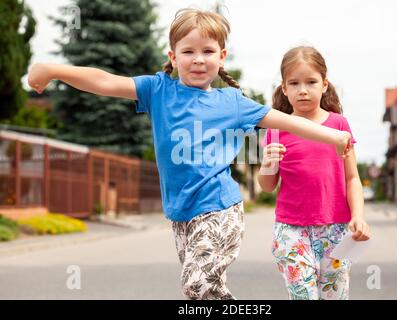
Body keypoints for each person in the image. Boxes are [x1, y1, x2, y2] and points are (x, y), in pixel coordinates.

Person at [28, 9, 351, 300]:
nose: (198, 59)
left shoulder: (232, 102)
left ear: (221, 57)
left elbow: (285, 121)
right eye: (189, 51)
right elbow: (105, 81)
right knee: (203, 295)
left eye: (208, 51)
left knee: (195, 283)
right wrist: (54, 69)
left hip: (220, 209)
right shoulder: (158, 91)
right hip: (181, 213)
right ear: (173, 55)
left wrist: (333, 135)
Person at [258, 46, 370, 300]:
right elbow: (267, 186)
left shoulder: (338, 126)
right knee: (303, 296)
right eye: (294, 83)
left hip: (337, 229)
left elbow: (352, 177)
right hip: (290, 230)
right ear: (284, 89)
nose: (303, 90)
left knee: (335, 296)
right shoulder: (276, 129)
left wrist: (359, 216)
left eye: (311, 82)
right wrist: (266, 164)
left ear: (325, 85)